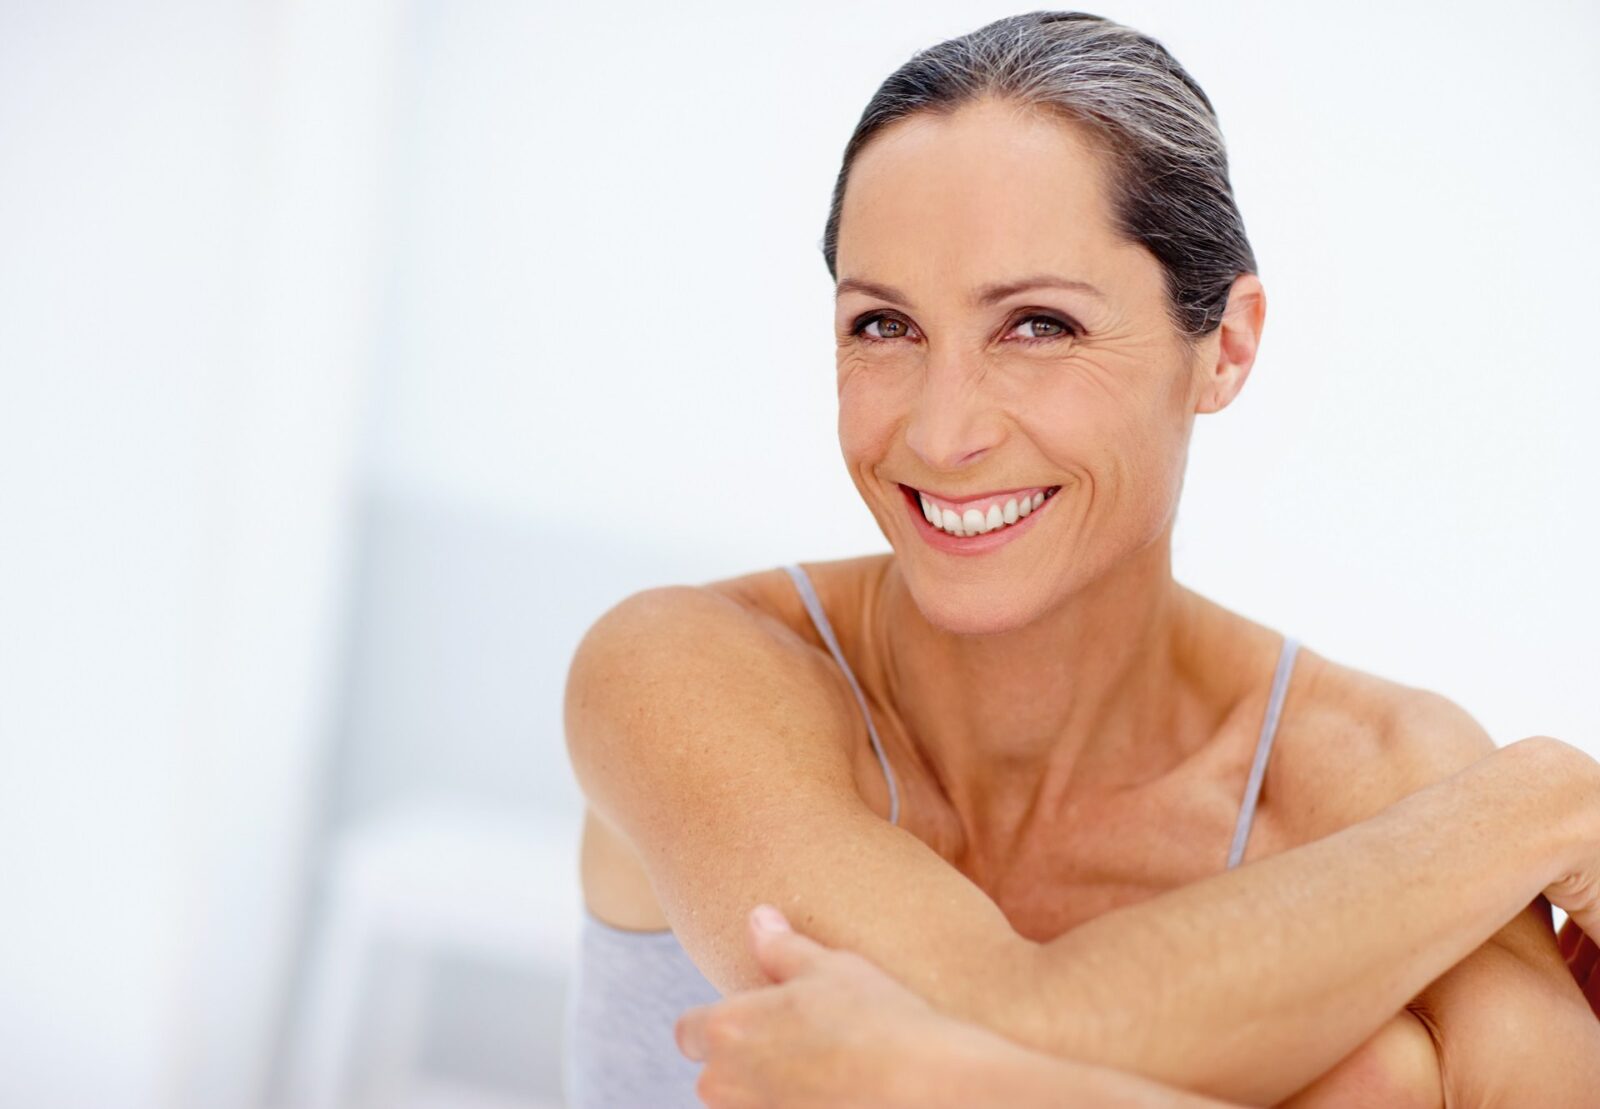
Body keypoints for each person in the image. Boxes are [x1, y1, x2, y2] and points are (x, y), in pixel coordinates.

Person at [562, 10, 1600, 1106]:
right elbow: (991, 1011)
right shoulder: (684, 669)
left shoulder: (1378, 769)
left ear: (1225, 347)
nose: (938, 434)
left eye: (1038, 325)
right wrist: (1546, 804)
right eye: (883, 326)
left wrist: (963, 1080)